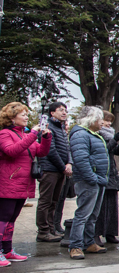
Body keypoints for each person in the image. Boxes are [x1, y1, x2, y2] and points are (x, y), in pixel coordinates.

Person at [0, 102, 52, 266]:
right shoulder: (4, 134)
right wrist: (33, 134)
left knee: (11, 219)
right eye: (23, 114)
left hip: (23, 184)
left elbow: (41, 151)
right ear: (12, 117)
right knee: (3, 218)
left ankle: (7, 250)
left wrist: (45, 137)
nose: (26, 117)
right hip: (7, 183)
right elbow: (12, 151)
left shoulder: (24, 135)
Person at [68, 106, 110, 259]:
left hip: (97, 180)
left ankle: (88, 242)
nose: (102, 122)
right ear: (91, 119)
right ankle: (76, 246)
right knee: (83, 214)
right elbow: (81, 160)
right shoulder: (81, 134)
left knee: (92, 215)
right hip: (89, 181)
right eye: (100, 119)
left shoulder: (90, 134)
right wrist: (93, 178)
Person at [36, 101, 72, 242]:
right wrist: (63, 167)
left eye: (65, 110)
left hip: (60, 170)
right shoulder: (48, 128)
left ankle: (51, 228)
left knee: (54, 201)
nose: (64, 112)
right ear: (52, 113)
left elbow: (66, 148)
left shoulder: (61, 129)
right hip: (50, 169)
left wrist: (69, 162)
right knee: (45, 201)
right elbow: (50, 151)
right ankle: (43, 231)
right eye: (60, 110)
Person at [94, 111, 119, 246]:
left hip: (111, 172)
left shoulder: (110, 135)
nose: (108, 124)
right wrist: (115, 139)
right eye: (106, 121)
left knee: (112, 205)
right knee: (99, 206)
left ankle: (110, 232)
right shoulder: (97, 135)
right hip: (101, 171)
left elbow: (116, 152)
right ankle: (96, 233)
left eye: (110, 121)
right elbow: (103, 150)